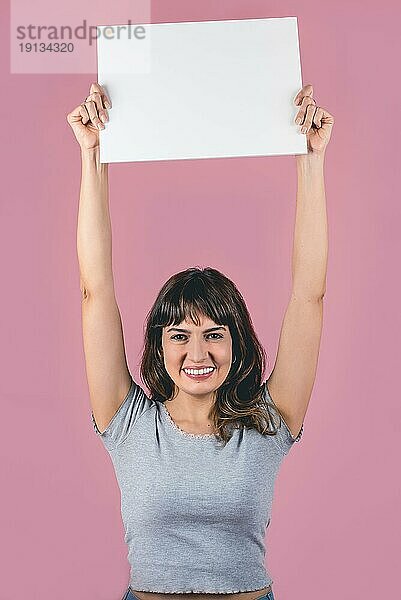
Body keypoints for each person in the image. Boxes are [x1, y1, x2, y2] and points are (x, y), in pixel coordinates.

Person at [67, 82, 334, 600]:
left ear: (237, 345)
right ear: (158, 345)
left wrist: (312, 158)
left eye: (215, 334)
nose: (197, 353)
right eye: (180, 335)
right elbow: (94, 290)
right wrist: (92, 154)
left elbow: (309, 296)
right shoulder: (128, 423)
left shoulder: (267, 421)